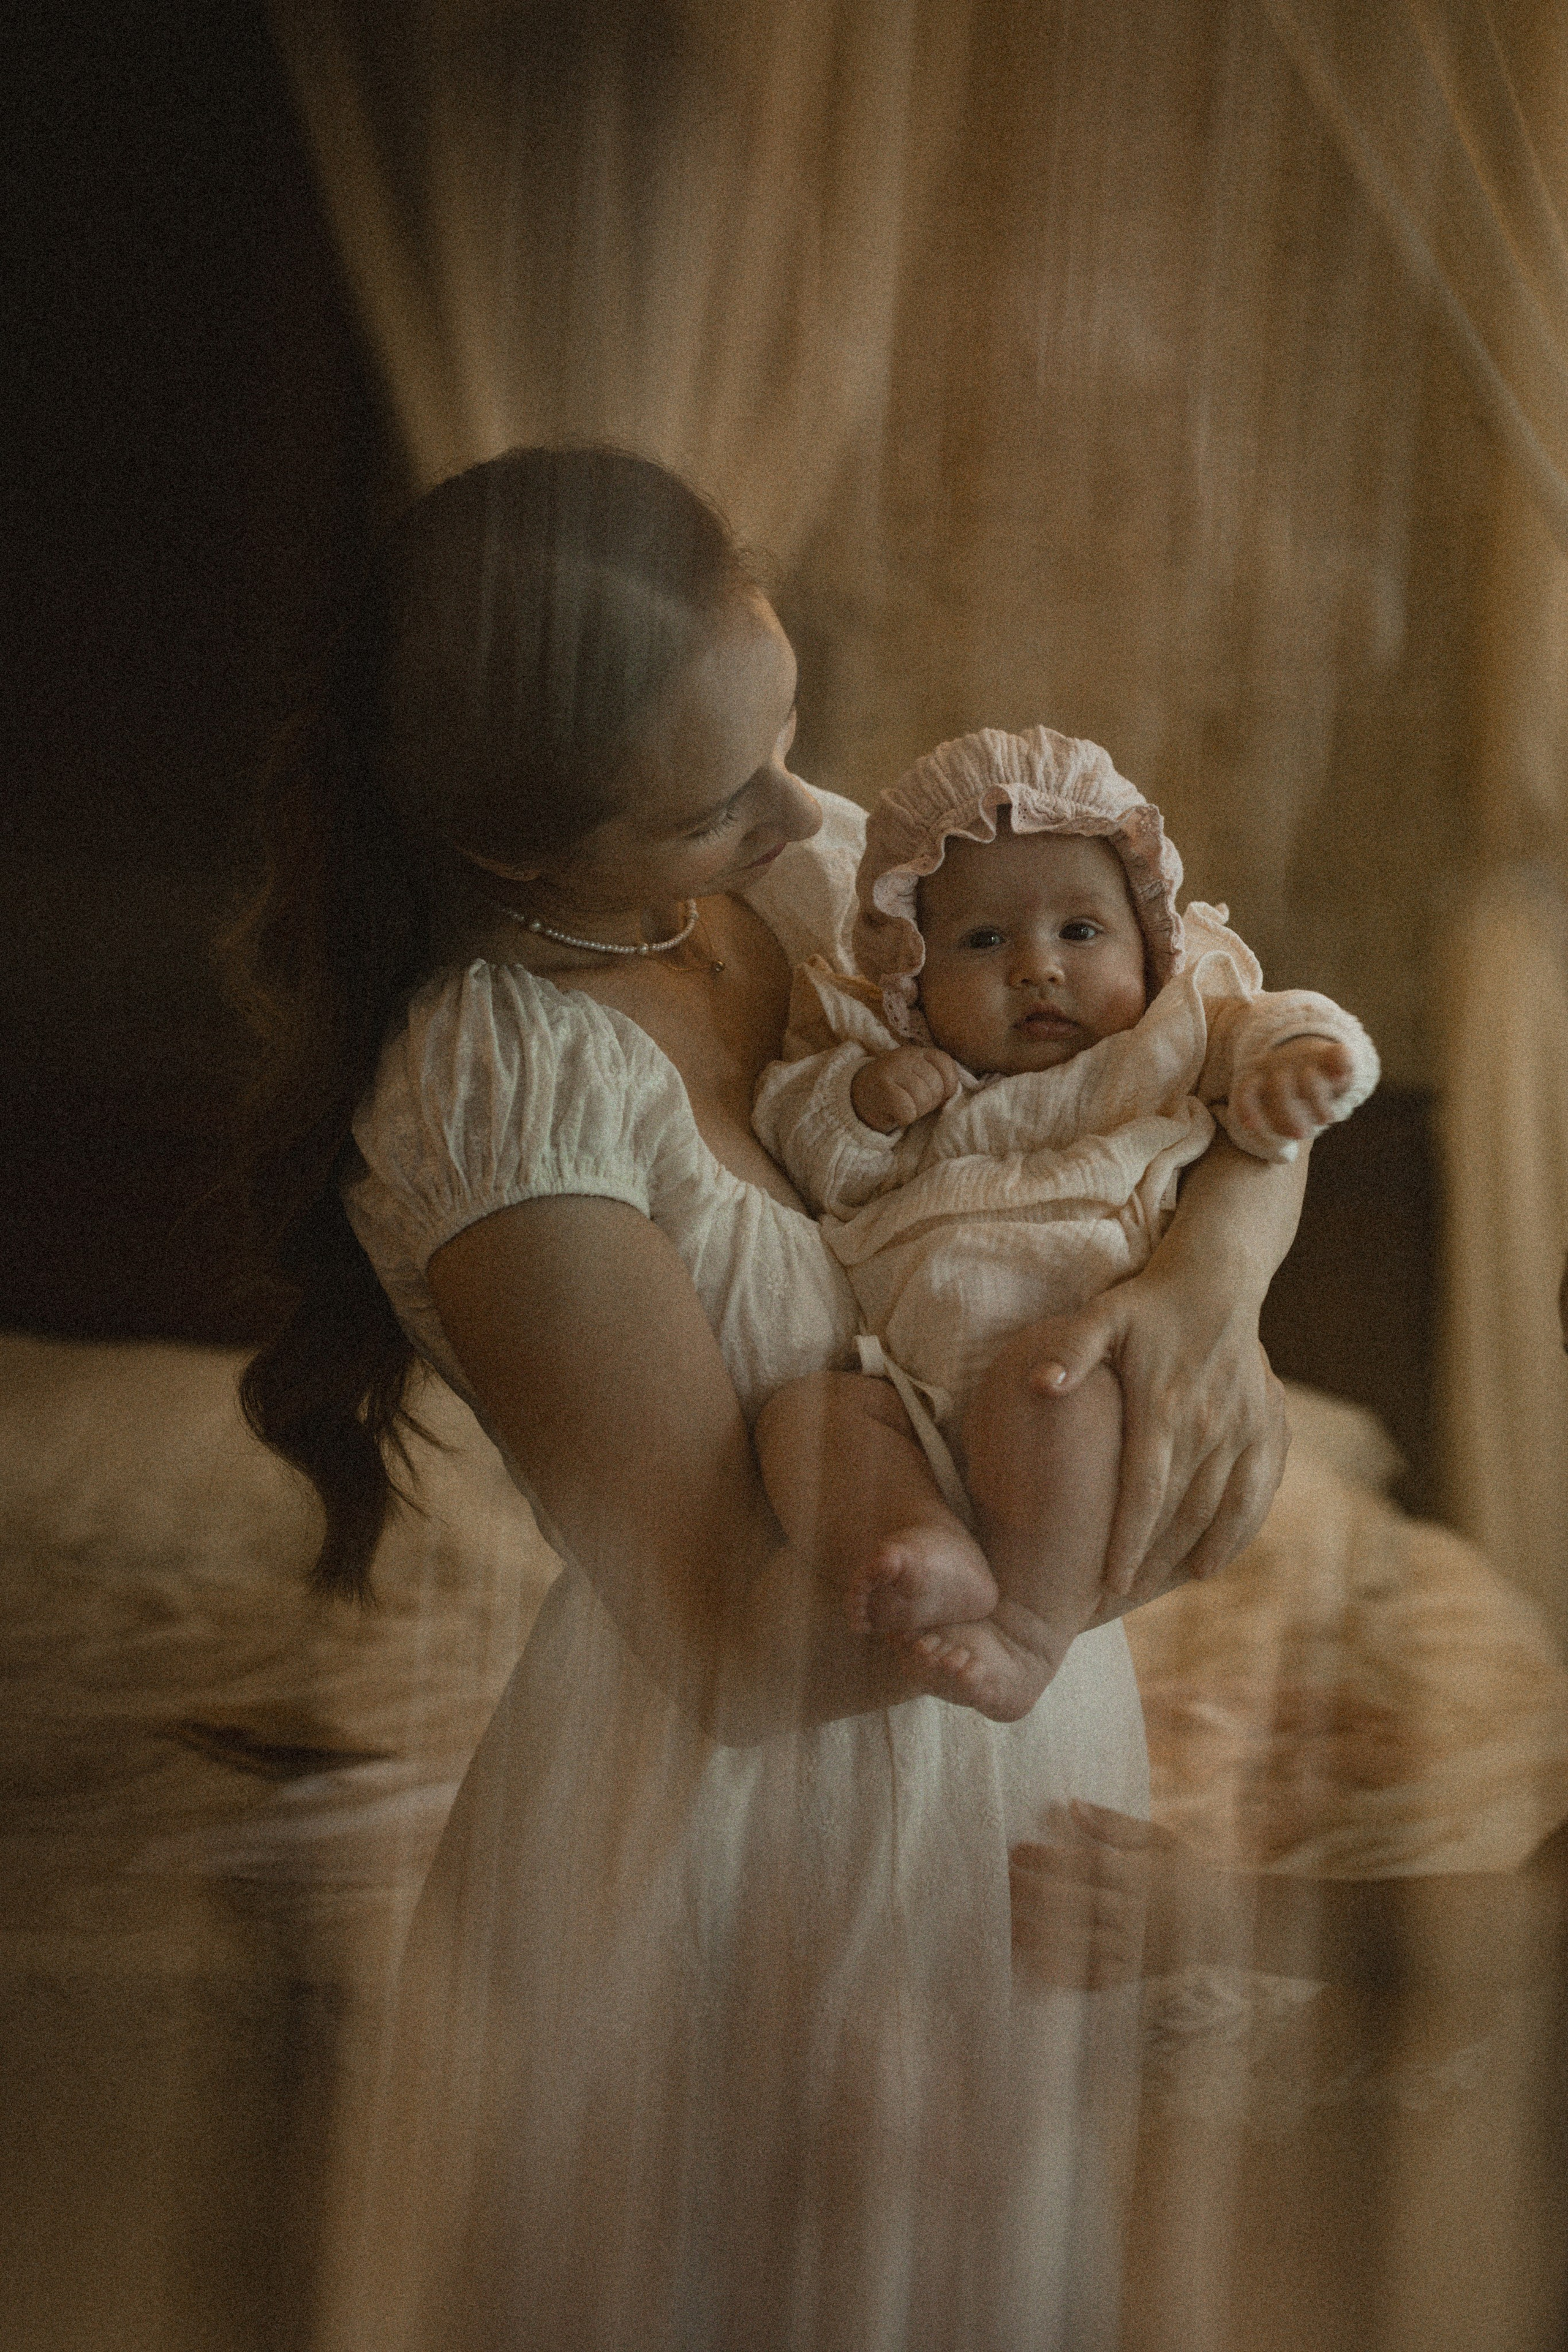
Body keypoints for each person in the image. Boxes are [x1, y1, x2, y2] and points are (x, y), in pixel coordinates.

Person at [227, 445, 1310, 2352]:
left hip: (1011, 1769)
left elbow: (1215, 1041)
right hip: (727, 1853)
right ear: (515, 852)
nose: (791, 808)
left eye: (780, 730)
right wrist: (1098, 1564)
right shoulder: (499, 1094)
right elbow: (735, 1644)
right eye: (715, 795)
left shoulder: (804, 878)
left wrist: (1211, 1293)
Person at [752, 726, 1379, 1721]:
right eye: (984, 942)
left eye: (1080, 933)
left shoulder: (1164, 1041)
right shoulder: (882, 1051)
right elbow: (804, 1144)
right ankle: (923, 1544)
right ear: (909, 970)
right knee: (806, 1421)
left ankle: (1028, 1627)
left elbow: (1274, 1019)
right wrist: (867, 1103)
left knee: (1051, 1394)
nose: (1038, 968)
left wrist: (1303, 1058)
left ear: (1151, 939)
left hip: (1086, 1375)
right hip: (914, 1397)